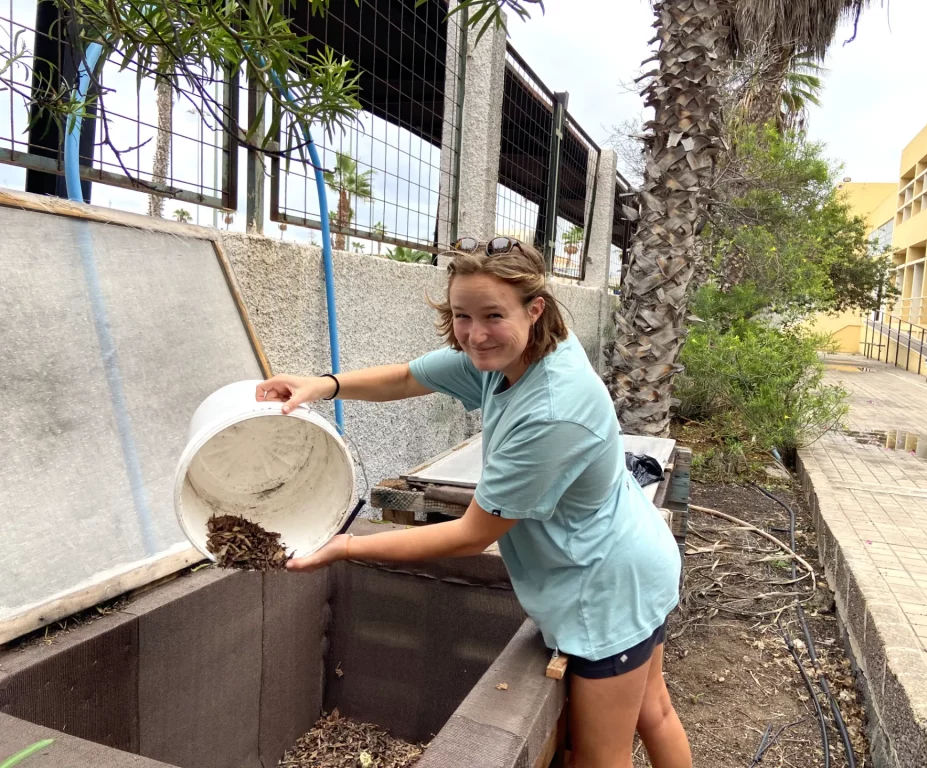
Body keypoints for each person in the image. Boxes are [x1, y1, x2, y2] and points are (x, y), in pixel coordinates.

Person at [255, 237, 692, 768]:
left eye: (492, 315)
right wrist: (323, 385)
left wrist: (345, 546)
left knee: (599, 756)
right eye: (463, 315)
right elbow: (410, 375)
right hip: (634, 551)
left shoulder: (551, 411)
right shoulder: (513, 353)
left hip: (602, 585)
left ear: (535, 309)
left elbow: (471, 534)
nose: (475, 334)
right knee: (655, 713)